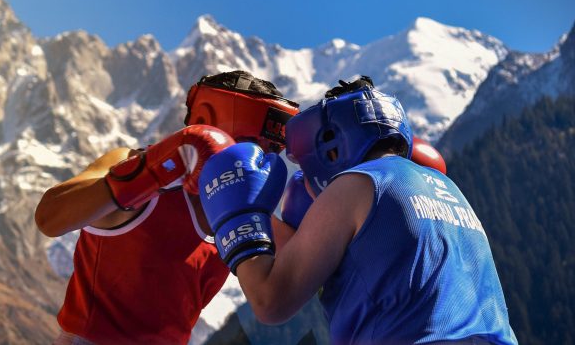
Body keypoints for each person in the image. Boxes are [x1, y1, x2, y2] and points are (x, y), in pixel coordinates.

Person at [198, 76, 517, 344]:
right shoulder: (448, 189)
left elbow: (270, 301)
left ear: (330, 144)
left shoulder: (356, 185)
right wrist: (263, 218)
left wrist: (237, 216)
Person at [34, 71, 300, 345]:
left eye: (273, 150)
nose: (258, 158)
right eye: (252, 143)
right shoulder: (130, 164)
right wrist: (149, 172)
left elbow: (301, 268)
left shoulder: (240, 209)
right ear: (205, 124)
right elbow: (49, 217)